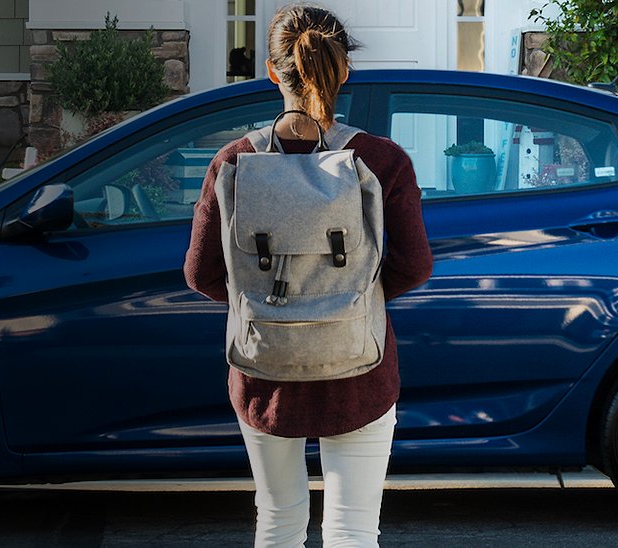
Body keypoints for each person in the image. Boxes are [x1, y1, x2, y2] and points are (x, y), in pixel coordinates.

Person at [183, 4, 433, 547]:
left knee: (277, 521)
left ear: (273, 72)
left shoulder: (233, 162)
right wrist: (347, 293)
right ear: (343, 71)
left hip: (265, 370)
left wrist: (271, 300)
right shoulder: (382, 161)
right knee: (353, 529)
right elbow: (414, 266)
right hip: (358, 368)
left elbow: (201, 273)